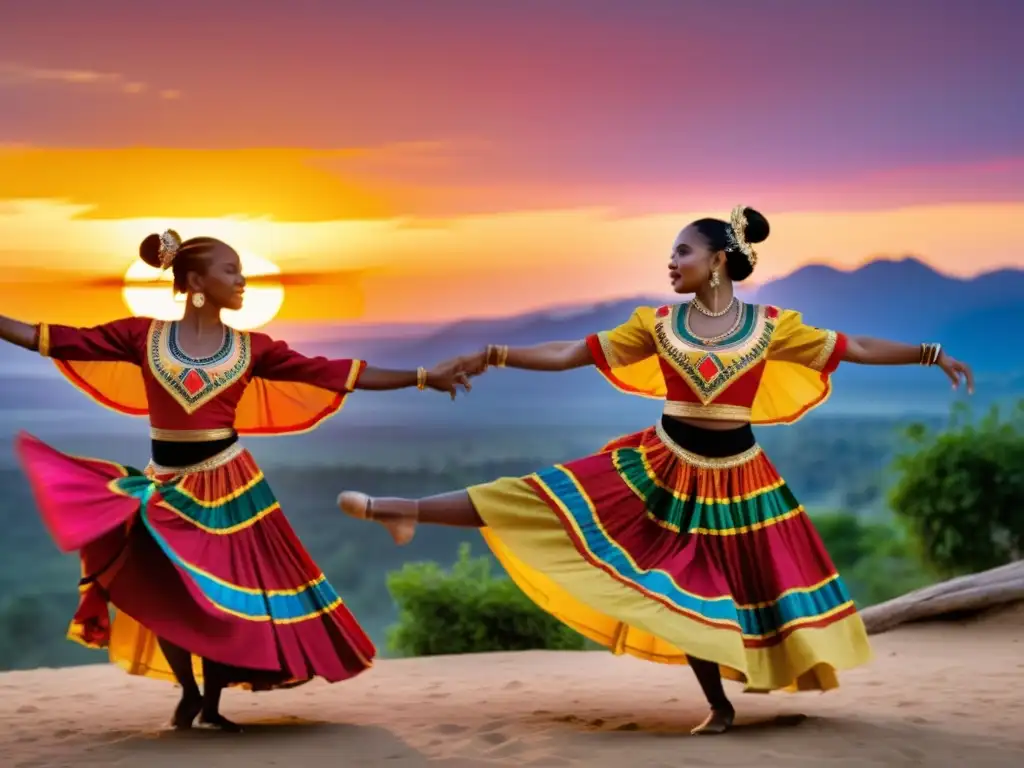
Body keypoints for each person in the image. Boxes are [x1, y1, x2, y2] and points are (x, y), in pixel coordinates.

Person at [337, 205, 975, 735]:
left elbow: (854, 347)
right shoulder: (659, 324)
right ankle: (407, 509)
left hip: (739, 480)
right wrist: (494, 352)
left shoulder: (771, 327)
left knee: (725, 589)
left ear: (718, 260)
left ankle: (727, 700)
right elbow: (569, 352)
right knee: (539, 498)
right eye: (670, 254)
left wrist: (931, 354)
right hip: (660, 466)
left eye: (683, 252)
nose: (671, 263)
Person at [3, 230, 470, 732]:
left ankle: (213, 700)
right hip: (167, 487)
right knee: (171, 591)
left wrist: (423, 375)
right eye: (231, 270)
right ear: (197, 281)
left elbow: (331, 372)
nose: (243, 279)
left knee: (227, 598)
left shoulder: (252, 347)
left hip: (230, 488)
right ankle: (188, 690)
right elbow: (49, 338)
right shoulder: (142, 337)